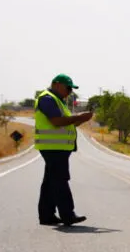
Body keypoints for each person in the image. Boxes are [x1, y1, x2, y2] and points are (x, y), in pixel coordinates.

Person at [34, 74, 92, 226]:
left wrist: (81, 119)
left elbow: (67, 124)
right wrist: (78, 116)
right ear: (57, 84)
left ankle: (47, 216)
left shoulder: (59, 101)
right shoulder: (47, 98)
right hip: (53, 147)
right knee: (60, 180)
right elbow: (56, 121)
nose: (70, 91)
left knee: (50, 181)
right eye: (68, 88)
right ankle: (68, 214)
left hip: (57, 147)